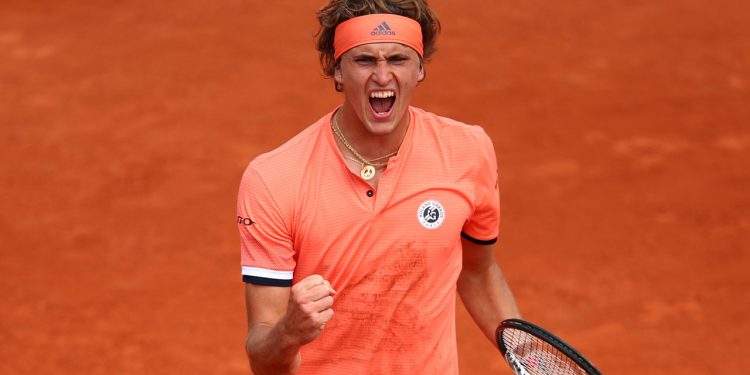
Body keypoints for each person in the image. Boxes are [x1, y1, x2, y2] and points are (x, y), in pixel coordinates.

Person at [237, 1, 521, 373]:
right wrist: (290, 331)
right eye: (365, 60)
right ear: (337, 71)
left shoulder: (468, 152)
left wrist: (530, 356)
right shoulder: (274, 179)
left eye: (398, 59)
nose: (383, 76)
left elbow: (478, 271)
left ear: (420, 69)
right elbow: (262, 357)